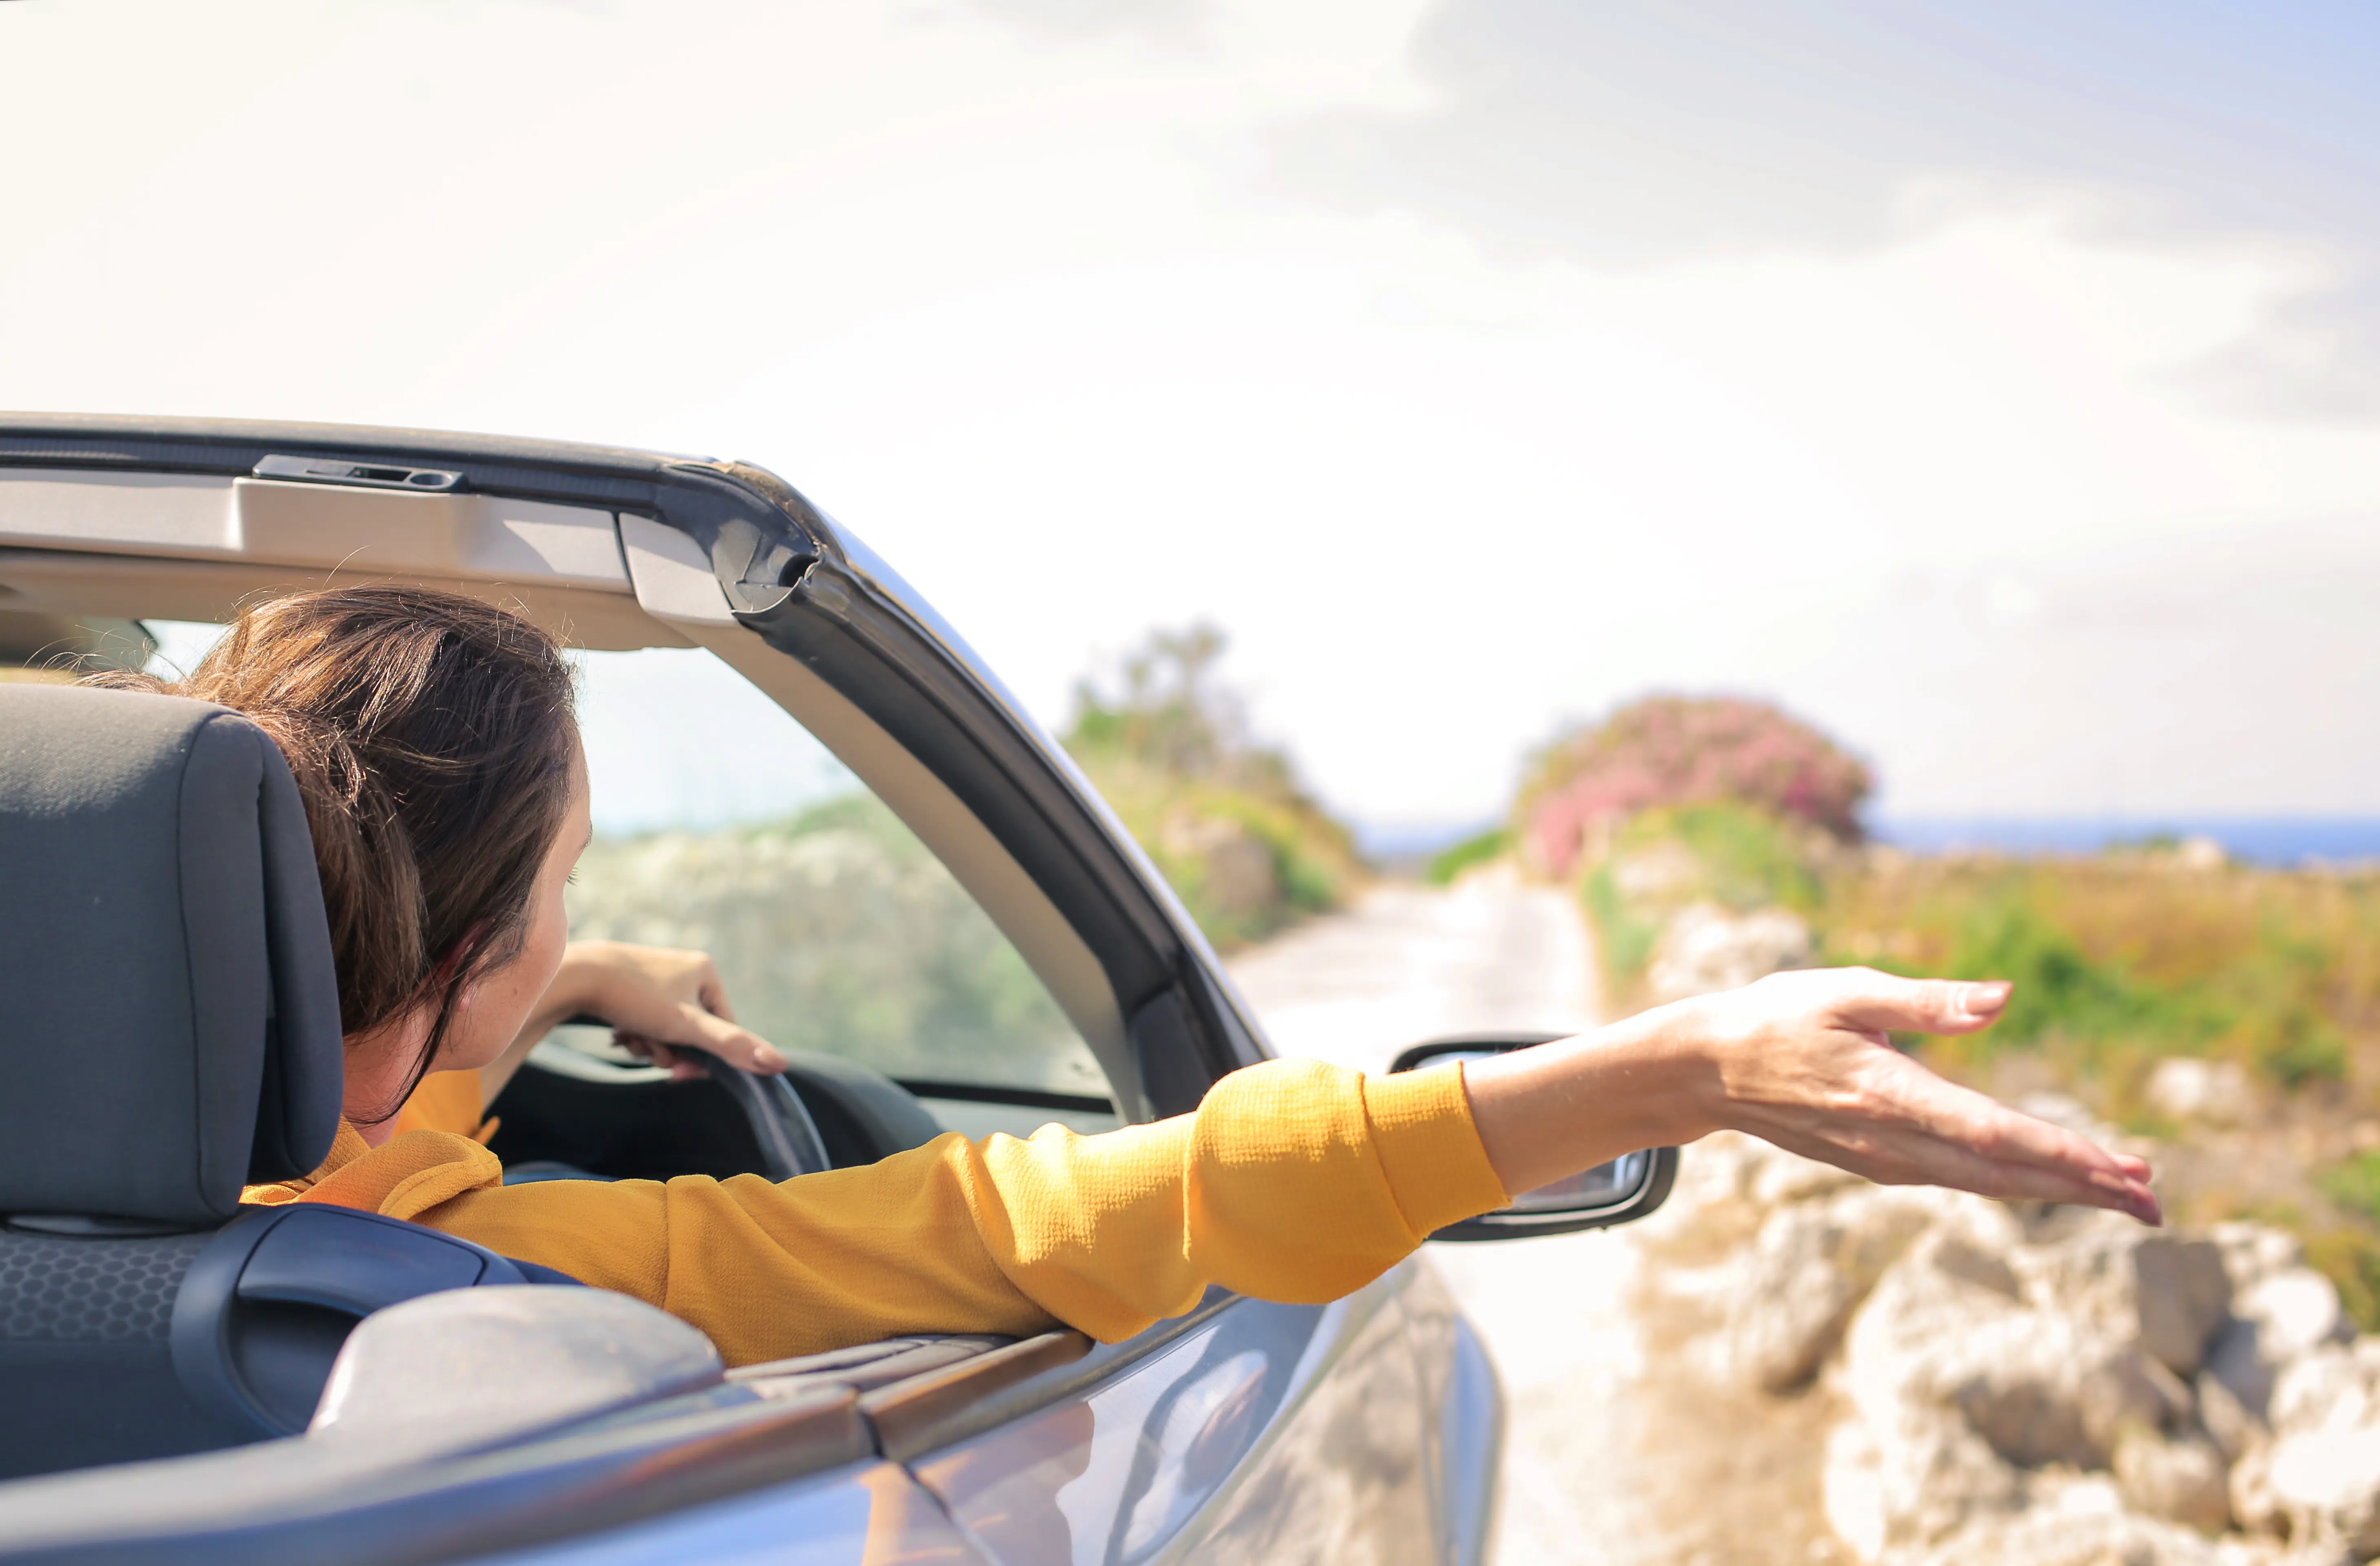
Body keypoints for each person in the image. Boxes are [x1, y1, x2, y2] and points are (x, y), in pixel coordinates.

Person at [98, 586, 2159, 1369]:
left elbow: (351, 1088)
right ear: (457, 952)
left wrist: (551, 981)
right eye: (555, 889)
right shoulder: (504, 1285)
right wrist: (1674, 1074)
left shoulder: (127, 1171)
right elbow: (1060, 1204)